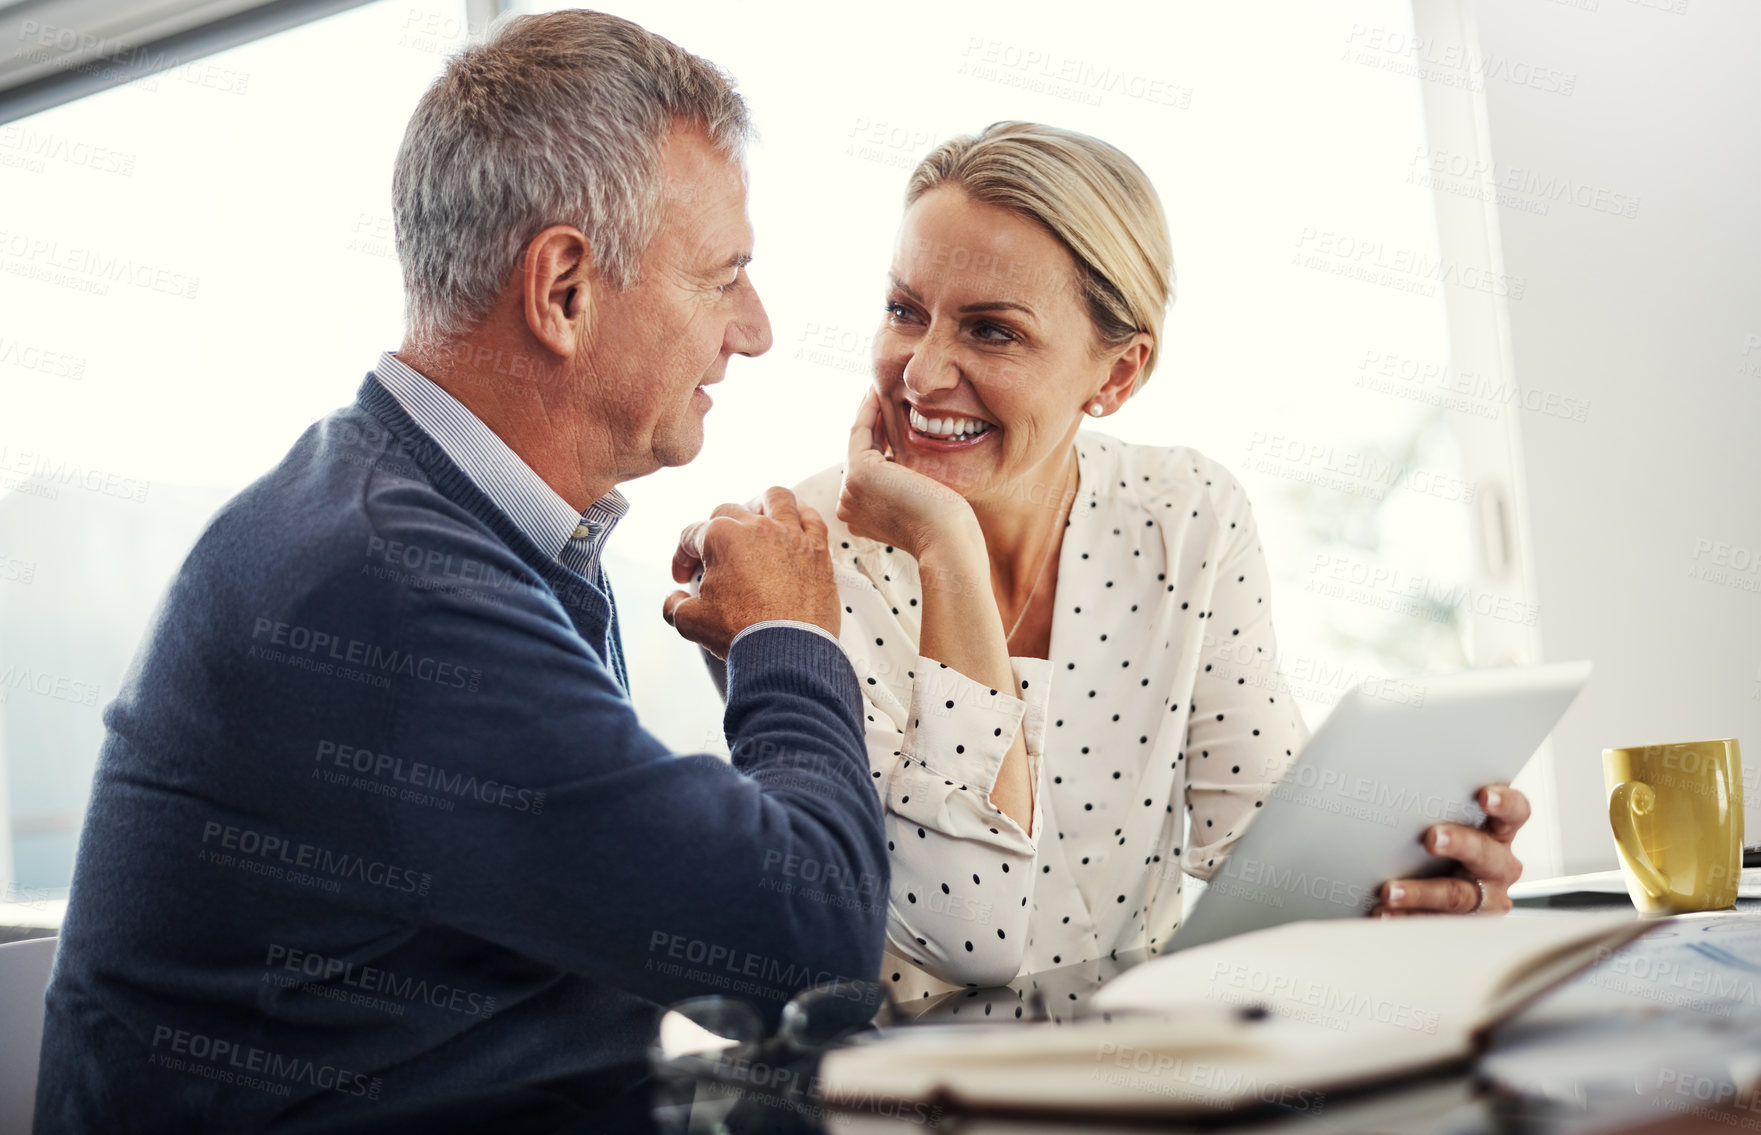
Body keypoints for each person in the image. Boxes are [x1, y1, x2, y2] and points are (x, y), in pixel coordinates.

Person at [34, 11, 887, 1132]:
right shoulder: (396, 589)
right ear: (565, 291)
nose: (756, 329)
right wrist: (793, 641)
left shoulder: (418, 519)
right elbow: (806, 941)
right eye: (723, 276)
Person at [680, 121, 1530, 1002]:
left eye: (991, 332)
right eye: (905, 311)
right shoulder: (801, 561)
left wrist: (1412, 886)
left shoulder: (1185, 516)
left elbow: (1261, 847)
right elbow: (968, 929)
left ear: (1117, 377)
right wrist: (946, 546)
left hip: (1141, 1074)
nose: (923, 373)